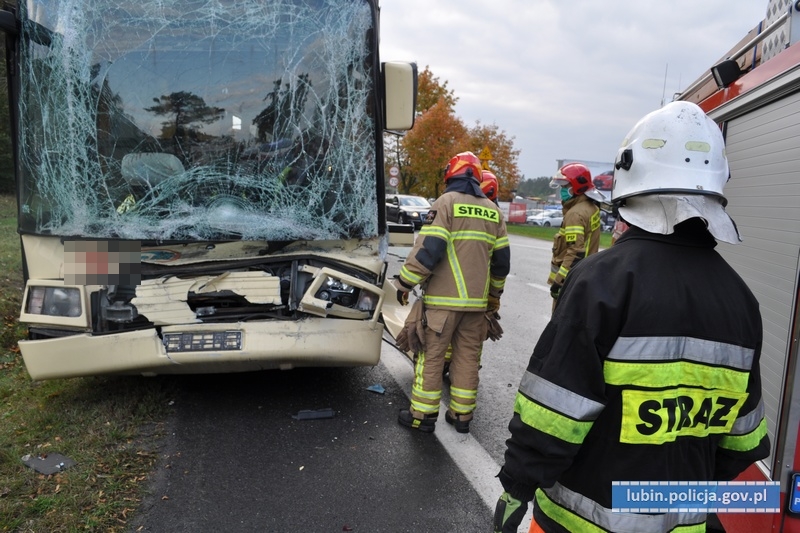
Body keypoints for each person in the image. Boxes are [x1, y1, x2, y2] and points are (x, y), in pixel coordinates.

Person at [492, 101, 770, 532]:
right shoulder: (741, 300)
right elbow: (744, 439)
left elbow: (555, 411)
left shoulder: (602, 281)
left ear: (630, 177)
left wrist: (517, 484)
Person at [394, 151, 510, 434]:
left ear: (451, 174)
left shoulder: (446, 203)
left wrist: (405, 284)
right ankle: (461, 416)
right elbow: (502, 264)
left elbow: (429, 251)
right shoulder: (494, 212)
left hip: (443, 305)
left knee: (431, 356)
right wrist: (494, 298)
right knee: (467, 358)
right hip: (477, 307)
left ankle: (422, 416)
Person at [443, 169, 502, 380]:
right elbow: (500, 264)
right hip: (481, 295)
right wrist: (495, 296)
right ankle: (466, 376)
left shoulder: (454, 206)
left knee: (446, 336)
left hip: (449, 293)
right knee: (472, 342)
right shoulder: (495, 217)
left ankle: (448, 363)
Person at [547, 163, 605, 307]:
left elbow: (575, 252)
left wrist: (560, 281)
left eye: (565, 186)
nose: (562, 190)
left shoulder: (575, 214)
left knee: (560, 324)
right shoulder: (591, 207)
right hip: (584, 275)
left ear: (577, 186)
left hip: (570, 281)